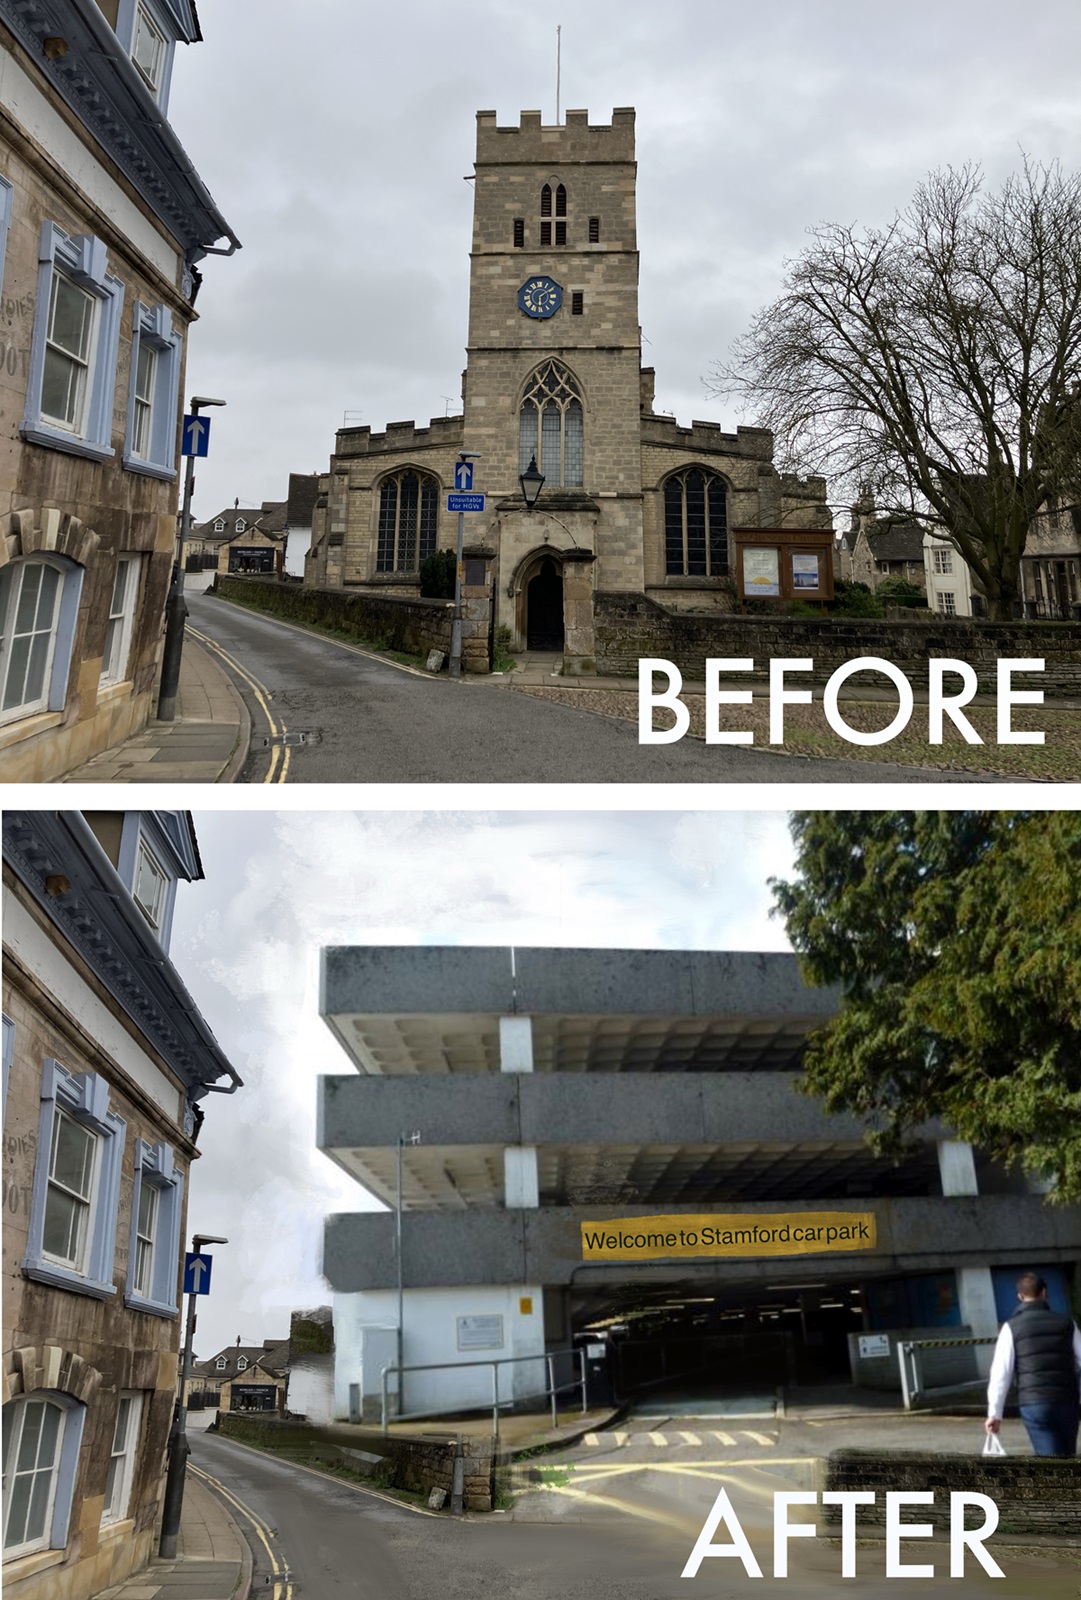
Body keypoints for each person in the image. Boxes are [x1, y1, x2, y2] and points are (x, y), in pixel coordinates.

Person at [985, 1271, 1081, 1456]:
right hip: (1066, 1401)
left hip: (1034, 1403)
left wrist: (994, 1414)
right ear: (1044, 1293)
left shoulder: (1011, 1327)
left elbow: (1001, 1374)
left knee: (1048, 1457)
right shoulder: (1067, 1323)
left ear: (1020, 1297)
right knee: (1066, 1455)